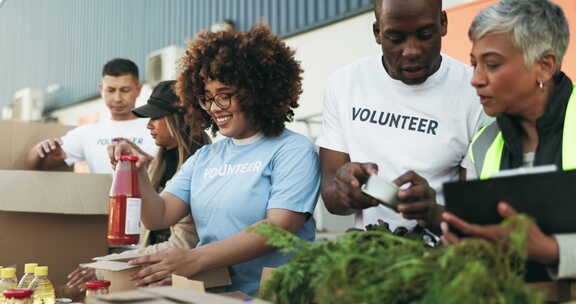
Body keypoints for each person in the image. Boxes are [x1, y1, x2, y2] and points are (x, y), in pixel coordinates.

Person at [110, 25, 320, 296]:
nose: (214, 109)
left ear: (256, 92)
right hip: (213, 292)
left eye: (224, 95)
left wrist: (194, 259)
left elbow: (279, 227)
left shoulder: (293, 150)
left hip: (272, 294)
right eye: (207, 99)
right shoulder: (205, 158)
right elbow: (158, 216)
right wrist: (138, 172)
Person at [317, 0, 488, 233]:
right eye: (396, 39)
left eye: (425, 35)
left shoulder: (475, 92)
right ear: (377, 33)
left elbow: (478, 214)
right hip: (369, 253)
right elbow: (331, 196)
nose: (411, 51)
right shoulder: (344, 84)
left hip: (444, 256)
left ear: (443, 23)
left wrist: (432, 210)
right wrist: (346, 191)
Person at [441, 0, 576, 281]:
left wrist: (554, 251)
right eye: (474, 64)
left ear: (544, 66)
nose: (476, 79)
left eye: (491, 64)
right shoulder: (483, 143)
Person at [66, 81, 211, 288]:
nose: (148, 125)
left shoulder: (197, 167)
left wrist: (107, 265)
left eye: (156, 117)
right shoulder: (160, 162)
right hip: (152, 274)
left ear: (180, 119)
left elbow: (182, 244)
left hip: (180, 282)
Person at [27, 58, 157, 174]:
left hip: (150, 200)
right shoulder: (87, 133)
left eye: (125, 90)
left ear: (138, 89)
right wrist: (40, 150)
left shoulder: (155, 128)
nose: (117, 98)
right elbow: (36, 166)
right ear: (101, 90)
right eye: (110, 90)